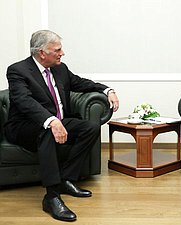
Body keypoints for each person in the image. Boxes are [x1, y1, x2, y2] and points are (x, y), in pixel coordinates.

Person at [4, 30, 119, 221]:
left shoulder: (60, 68)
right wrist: (51, 121)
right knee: (48, 131)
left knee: (90, 128)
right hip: (25, 126)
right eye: (57, 49)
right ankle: (52, 196)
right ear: (42, 52)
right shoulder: (18, 70)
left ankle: (66, 178)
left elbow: (81, 83)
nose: (62, 53)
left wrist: (107, 90)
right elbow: (23, 101)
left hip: (57, 121)